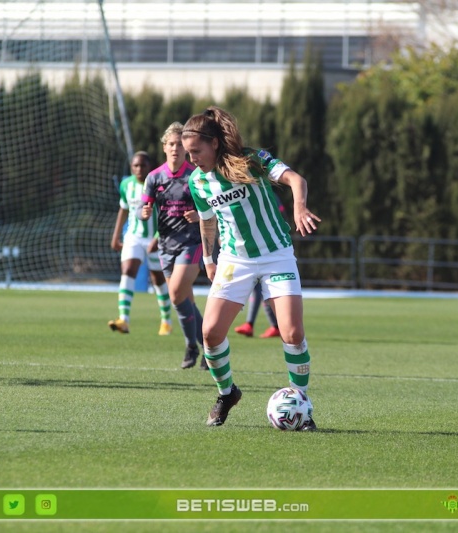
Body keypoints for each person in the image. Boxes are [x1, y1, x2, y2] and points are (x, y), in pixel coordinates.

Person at [182, 106, 321, 429]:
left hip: (276, 255)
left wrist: (300, 208)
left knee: (292, 332)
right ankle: (227, 393)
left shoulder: (252, 159)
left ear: (214, 143)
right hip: (234, 260)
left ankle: (301, 404)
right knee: (211, 333)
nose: (192, 159)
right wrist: (208, 259)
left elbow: (295, 179)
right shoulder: (198, 182)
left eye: (196, 151)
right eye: (188, 153)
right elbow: (207, 223)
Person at [139, 122, 207, 370]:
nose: (175, 148)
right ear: (164, 147)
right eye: (171, 144)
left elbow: (213, 208)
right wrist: (144, 212)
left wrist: (200, 217)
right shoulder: (154, 177)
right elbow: (143, 208)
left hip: (192, 242)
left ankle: (195, 347)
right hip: (166, 245)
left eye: (180, 144)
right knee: (185, 300)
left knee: (176, 293)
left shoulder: (195, 176)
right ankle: (206, 348)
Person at [108, 151, 172, 335]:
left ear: (149, 167)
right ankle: (124, 319)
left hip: (156, 237)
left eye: (142, 165)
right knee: (127, 271)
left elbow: (167, 214)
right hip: (133, 236)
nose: (138, 169)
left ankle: (166, 321)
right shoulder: (126, 185)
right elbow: (123, 210)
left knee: (158, 279)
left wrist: (158, 237)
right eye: (135, 165)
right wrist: (116, 236)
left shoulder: (158, 184)